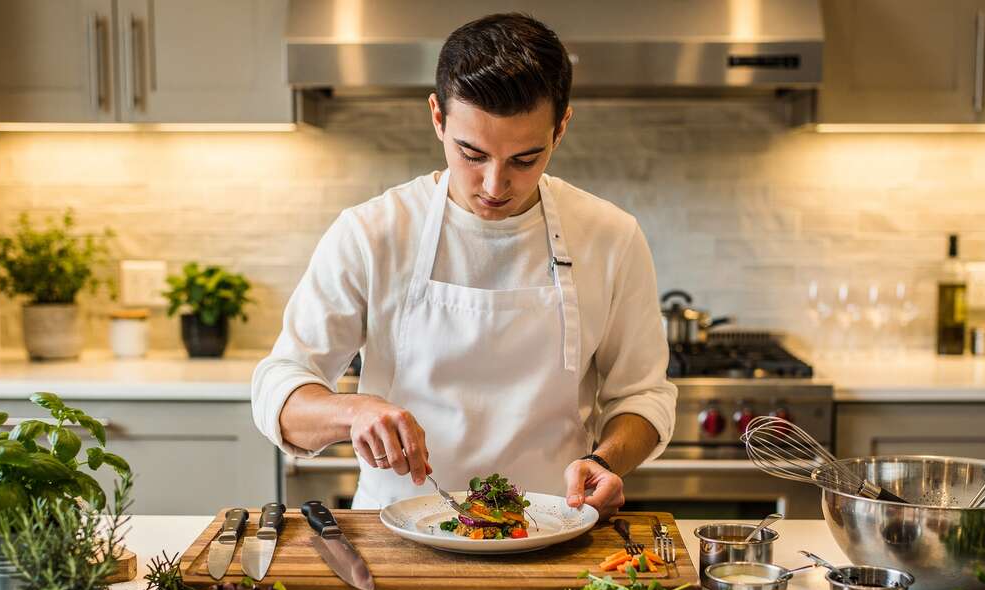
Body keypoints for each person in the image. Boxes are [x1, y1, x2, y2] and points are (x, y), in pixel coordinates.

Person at [252, 13, 675, 518]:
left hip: (551, 529)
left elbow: (643, 397)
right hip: (397, 535)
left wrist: (604, 461)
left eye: (524, 159)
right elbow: (279, 388)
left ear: (561, 127)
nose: (495, 186)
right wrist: (352, 411)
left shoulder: (610, 236)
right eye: (471, 154)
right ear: (437, 117)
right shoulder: (372, 233)